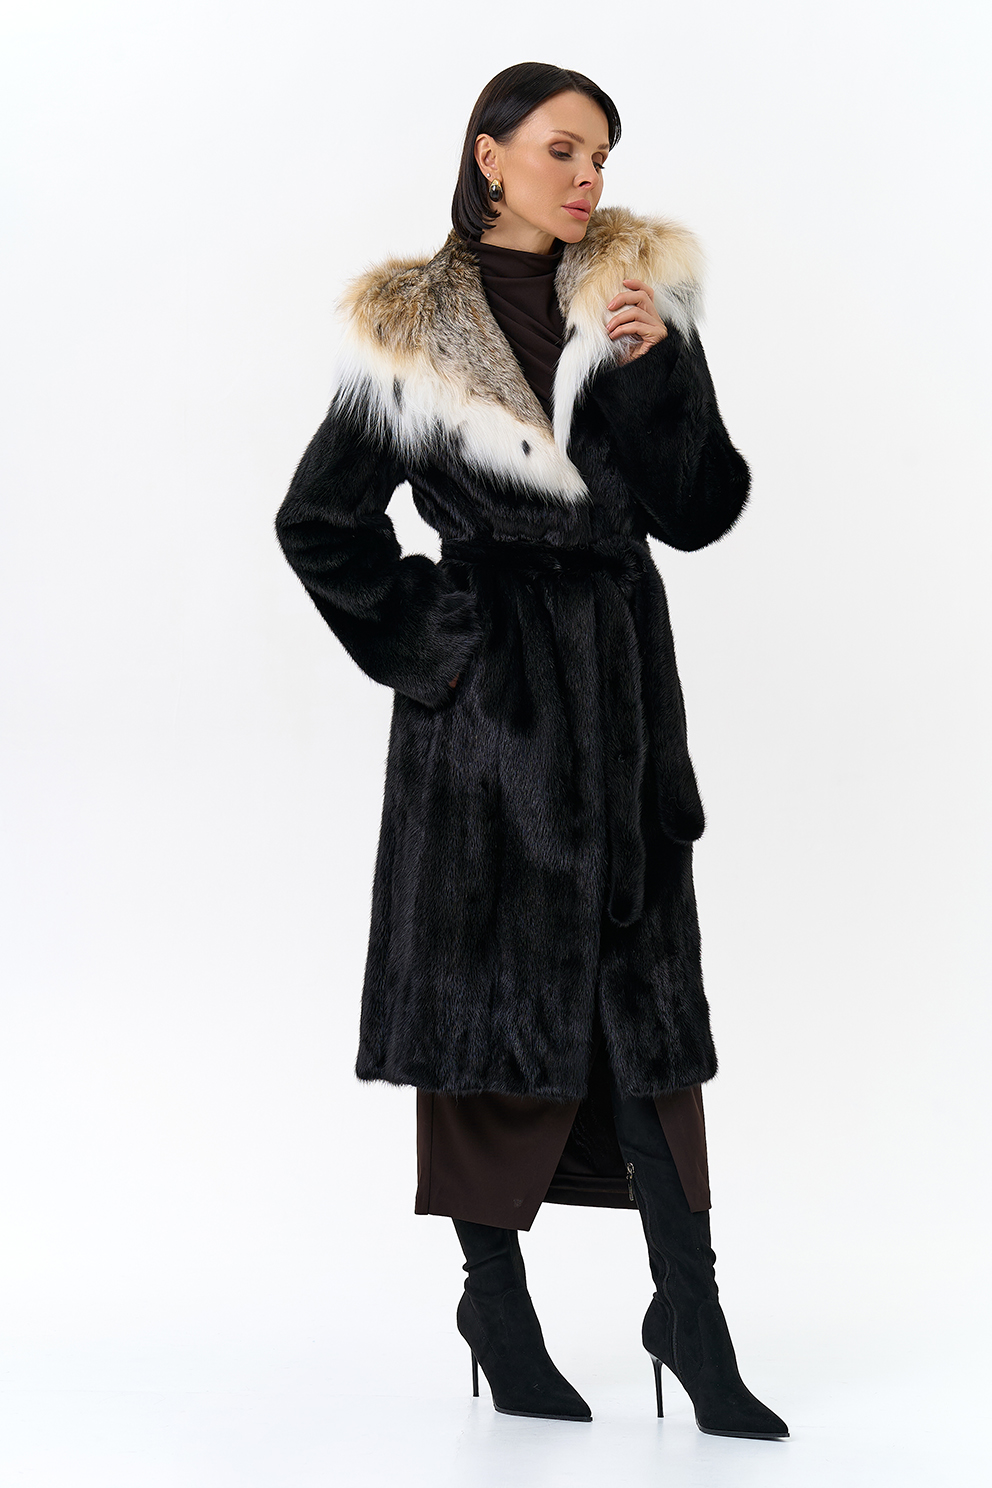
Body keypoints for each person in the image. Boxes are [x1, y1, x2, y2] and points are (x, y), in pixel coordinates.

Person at [275, 61, 788, 1439]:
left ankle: (692, 1315)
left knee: (648, 1018)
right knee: (486, 1014)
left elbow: (701, 510)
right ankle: (495, 1307)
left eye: (602, 155)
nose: (588, 177)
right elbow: (318, 521)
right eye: (562, 149)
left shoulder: (630, 299)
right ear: (489, 154)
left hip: (621, 714)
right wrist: (441, 644)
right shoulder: (409, 330)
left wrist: (658, 371)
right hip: (487, 734)